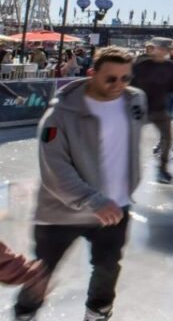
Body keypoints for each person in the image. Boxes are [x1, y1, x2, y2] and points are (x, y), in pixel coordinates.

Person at [15, 47, 147, 321]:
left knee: (108, 267)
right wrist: (93, 200)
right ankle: (25, 313)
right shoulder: (59, 115)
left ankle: (97, 312)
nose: (119, 85)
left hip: (115, 207)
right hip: (61, 212)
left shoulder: (135, 101)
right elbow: (54, 168)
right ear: (91, 74)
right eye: (111, 78)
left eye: (125, 78)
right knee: (41, 272)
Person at [132, 37, 173, 184]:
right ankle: (127, 170)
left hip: (159, 109)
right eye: (159, 48)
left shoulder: (172, 67)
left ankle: (162, 169)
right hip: (139, 109)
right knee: (131, 140)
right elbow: (129, 85)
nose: (162, 51)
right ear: (153, 48)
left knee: (167, 139)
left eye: (166, 49)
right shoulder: (141, 65)